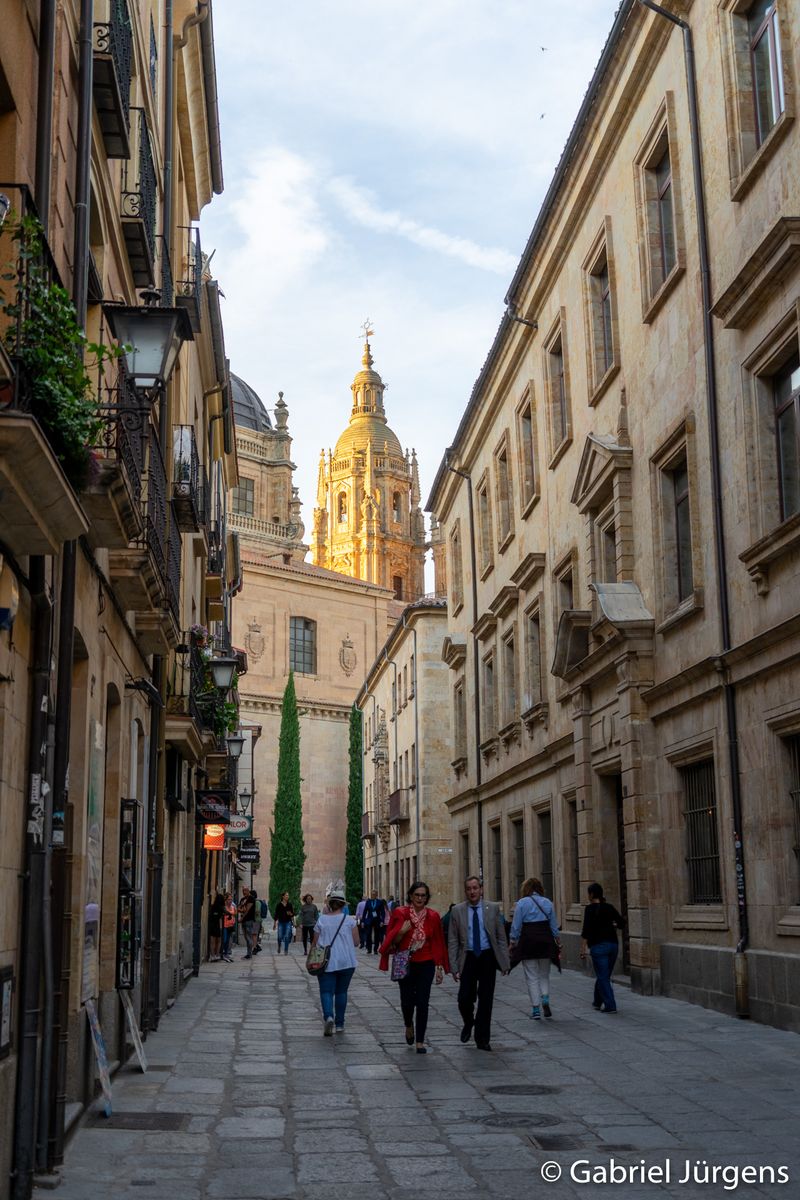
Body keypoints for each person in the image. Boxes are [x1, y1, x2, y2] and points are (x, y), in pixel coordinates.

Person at [379, 881, 448, 1053]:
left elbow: (437, 942)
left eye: (423, 895)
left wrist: (439, 966)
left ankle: (420, 1041)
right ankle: (408, 1024)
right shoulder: (400, 913)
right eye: (417, 895)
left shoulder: (433, 916)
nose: (420, 898)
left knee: (423, 1002)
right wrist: (401, 932)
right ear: (410, 896)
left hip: (426, 963)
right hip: (405, 962)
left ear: (427, 898)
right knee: (407, 1001)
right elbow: (392, 941)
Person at [448, 876, 510, 1052]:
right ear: (465, 891)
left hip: (487, 956)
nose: (472, 892)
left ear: (481, 889)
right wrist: (454, 966)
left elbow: (500, 937)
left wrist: (505, 962)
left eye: (475, 888)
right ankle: (469, 1022)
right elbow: (453, 940)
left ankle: (482, 1038)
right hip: (468, 956)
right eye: (469, 889)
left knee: (486, 998)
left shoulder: (492, 908)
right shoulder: (457, 911)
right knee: (464, 998)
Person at [509, 877, 561, 1020]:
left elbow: (516, 926)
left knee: (531, 976)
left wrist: (512, 941)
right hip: (545, 941)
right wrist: (557, 940)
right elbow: (553, 926)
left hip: (528, 942)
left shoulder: (521, 903)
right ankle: (545, 998)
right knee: (544, 974)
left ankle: (536, 1009)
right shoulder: (548, 903)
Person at [312, 887, 360, 1035]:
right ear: (343, 905)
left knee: (326, 991)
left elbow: (315, 943)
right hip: (347, 961)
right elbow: (356, 942)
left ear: (330, 904)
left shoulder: (322, 920)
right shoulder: (350, 920)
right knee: (341, 992)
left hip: (326, 962)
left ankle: (328, 1017)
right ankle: (340, 1024)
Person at [580, 882, 625, 1013]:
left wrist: (582, 949)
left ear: (591, 894)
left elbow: (586, 931)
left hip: (598, 947)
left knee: (603, 976)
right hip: (613, 945)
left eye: (588, 894)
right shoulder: (609, 907)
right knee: (604, 975)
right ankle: (597, 1001)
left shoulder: (589, 909)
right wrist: (614, 925)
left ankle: (610, 1005)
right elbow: (622, 923)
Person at [238, 887, 257, 959]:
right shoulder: (242, 899)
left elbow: (247, 910)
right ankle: (248, 953)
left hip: (249, 920)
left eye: (245, 890)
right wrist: (242, 909)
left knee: (249, 937)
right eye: (243, 891)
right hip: (243, 921)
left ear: (248, 891)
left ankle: (249, 954)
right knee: (246, 937)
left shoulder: (251, 898)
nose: (244, 892)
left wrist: (242, 917)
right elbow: (239, 908)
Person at [209, 890, 224, 961]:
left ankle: (212, 955)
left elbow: (210, 916)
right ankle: (217, 954)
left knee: (212, 941)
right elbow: (220, 918)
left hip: (212, 925)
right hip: (218, 926)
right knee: (219, 941)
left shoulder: (212, 907)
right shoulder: (221, 908)